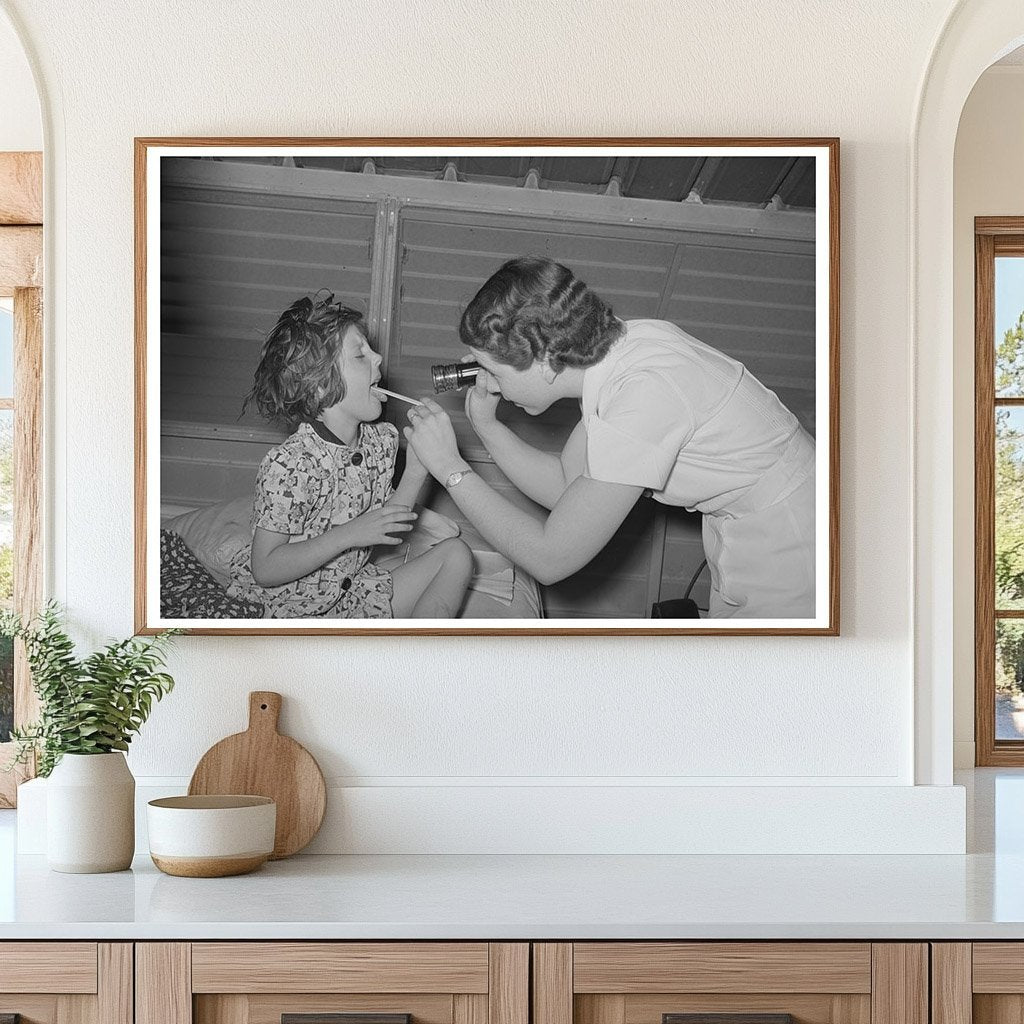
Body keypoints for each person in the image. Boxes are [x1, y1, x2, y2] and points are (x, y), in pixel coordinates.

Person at [404, 257, 816, 619]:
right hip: (754, 529)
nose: (487, 381)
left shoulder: (644, 395)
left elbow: (552, 557)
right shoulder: (620, 351)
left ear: (546, 360)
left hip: (790, 545)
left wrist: (450, 470)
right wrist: (488, 428)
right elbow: (568, 486)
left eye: (491, 369)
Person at [229, 293, 472, 619]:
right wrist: (350, 534)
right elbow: (266, 567)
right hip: (290, 609)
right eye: (360, 355)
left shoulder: (379, 441)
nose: (378, 356)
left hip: (351, 593)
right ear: (319, 386)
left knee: (457, 554)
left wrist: (417, 469)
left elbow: (386, 522)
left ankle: (420, 654)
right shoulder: (290, 466)